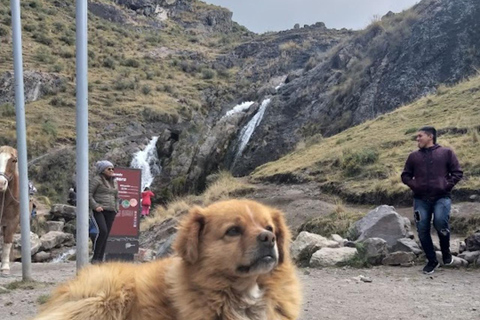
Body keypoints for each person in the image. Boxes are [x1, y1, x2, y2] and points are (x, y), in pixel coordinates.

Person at [401, 126, 463, 274]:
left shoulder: (446, 153)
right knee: (422, 229)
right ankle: (432, 260)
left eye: (420, 136)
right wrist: (415, 185)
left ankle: (446, 253)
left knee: (440, 222)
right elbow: (405, 176)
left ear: (430, 137)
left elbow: (457, 172)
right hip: (420, 199)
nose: (417, 139)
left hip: (442, 197)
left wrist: (446, 185)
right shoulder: (413, 156)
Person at [89, 160, 119, 264]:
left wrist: (116, 209)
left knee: (106, 235)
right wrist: (95, 206)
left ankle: (100, 259)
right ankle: (95, 257)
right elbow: (88, 194)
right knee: (103, 231)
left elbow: (117, 197)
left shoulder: (114, 181)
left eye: (112, 169)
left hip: (111, 211)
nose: (111, 170)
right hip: (99, 210)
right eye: (108, 169)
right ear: (102, 170)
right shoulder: (97, 180)